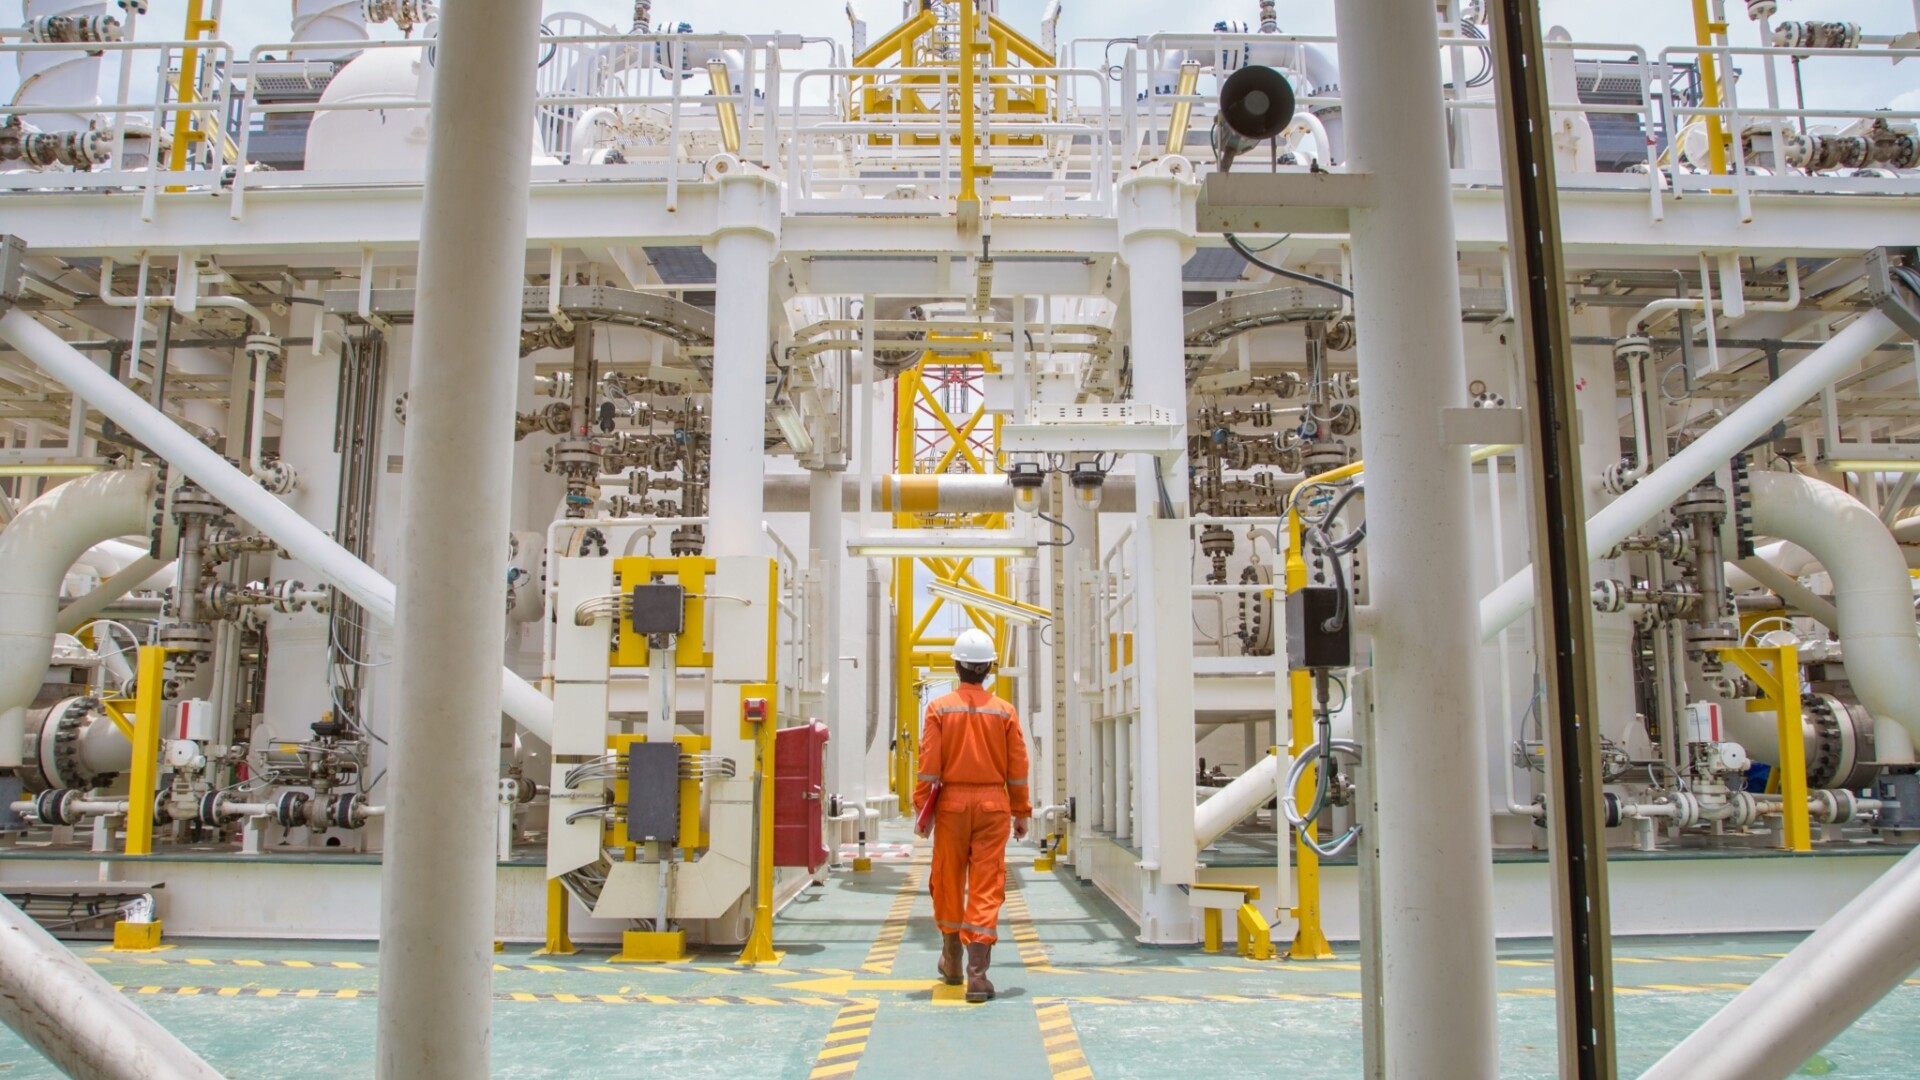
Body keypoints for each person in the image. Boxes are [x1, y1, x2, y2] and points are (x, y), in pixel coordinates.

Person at [912, 628, 1031, 1004]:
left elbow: (928, 767)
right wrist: (1021, 811)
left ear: (956, 666)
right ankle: (978, 976)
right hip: (994, 806)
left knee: (947, 879)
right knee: (986, 883)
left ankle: (951, 961)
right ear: (990, 668)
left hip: (952, 805)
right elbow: (1017, 768)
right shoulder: (1005, 712)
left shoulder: (938, 708)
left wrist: (921, 809)